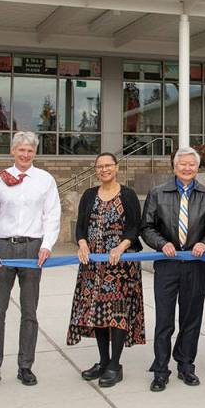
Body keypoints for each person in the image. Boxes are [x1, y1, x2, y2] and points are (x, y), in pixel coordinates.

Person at [0, 131, 60, 390]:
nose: (25, 154)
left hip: (32, 249)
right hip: (3, 248)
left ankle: (25, 365)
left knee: (29, 311)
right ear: (13, 151)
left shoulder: (45, 180)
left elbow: (52, 214)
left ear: (35, 153)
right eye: (21, 150)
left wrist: (47, 245)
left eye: (30, 150)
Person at [141, 146, 205, 392]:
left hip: (195, 266)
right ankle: (161, 369)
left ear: (197, 167)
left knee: (191, 318)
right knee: (164, 319)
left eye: (191, 164)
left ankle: (186, 365)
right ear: (174, 167)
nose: (187, 168)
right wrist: (161, 244)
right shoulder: (157, 193)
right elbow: (147, 227)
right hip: (167, 265)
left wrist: (204, 243)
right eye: (182, 164)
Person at [69, 152, 145, 388]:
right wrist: (82, 243)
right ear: (96, 170)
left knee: (117, 314)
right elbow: (81, 227)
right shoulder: (89, 195)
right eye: (100, 166)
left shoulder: (128, 195)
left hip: (120, 267)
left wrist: (122, 246)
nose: (104, 169)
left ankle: (115, 364)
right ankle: (103, 361)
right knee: (98, 313)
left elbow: (135, 228)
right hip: (93, 266)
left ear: (116, 167)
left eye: (108, 165)